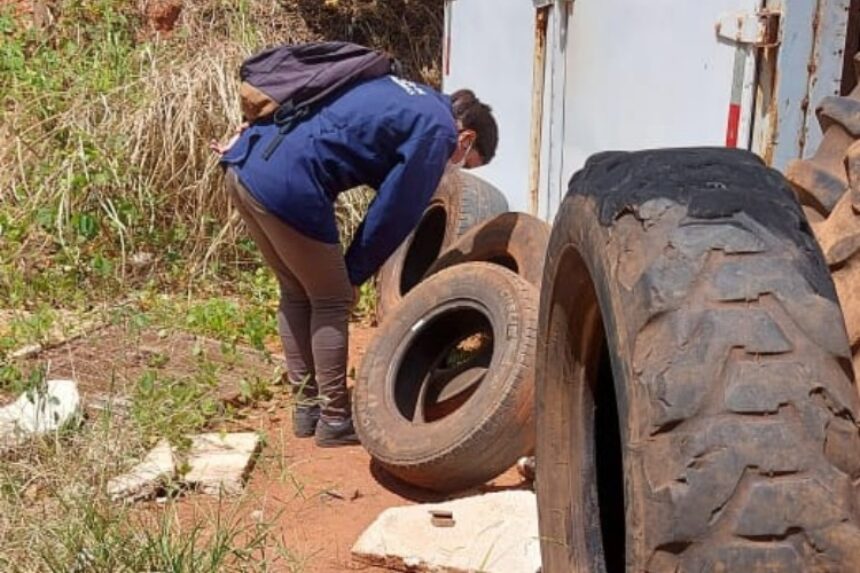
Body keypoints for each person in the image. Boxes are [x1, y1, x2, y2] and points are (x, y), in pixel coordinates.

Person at [213, 74, 498, 447]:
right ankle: (334, 419)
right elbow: (394, 211)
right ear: (467, 138)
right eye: (467, 164)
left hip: (247, 165)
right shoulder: (439, 132)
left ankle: (307, 410)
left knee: (296, 293)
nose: (457, 170)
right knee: (333, 299)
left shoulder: (409, 96)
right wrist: (354, 273)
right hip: (287, 183)